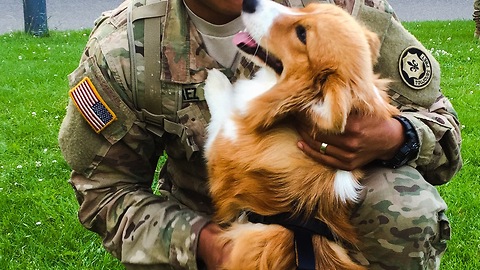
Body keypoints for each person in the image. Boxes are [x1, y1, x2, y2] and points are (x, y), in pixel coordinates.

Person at [58, 0, 462, 269]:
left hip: (335, 221)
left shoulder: (343, 9)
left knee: (405, 206)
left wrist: (396, 135)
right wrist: (201, 242)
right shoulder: (125, 48)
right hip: (211, 216)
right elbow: (104, 192)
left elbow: (443, 125)